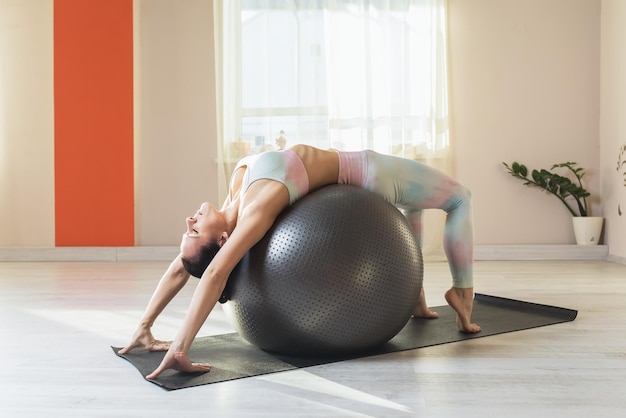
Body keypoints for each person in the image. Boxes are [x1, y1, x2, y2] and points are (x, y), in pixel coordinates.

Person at [119, 144, 481, 379]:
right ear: (224, 241)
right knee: (460, 199)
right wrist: (181, 347)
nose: (189, 222)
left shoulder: (233, 196)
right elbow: (215, 271)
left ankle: (415, 299)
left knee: (414, 206)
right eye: (195, 232)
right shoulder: (255, 211)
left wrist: (144, 325)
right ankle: (463, 295)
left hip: (368, 188)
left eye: (189, 229)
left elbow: (183, 265)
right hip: (368, 172)